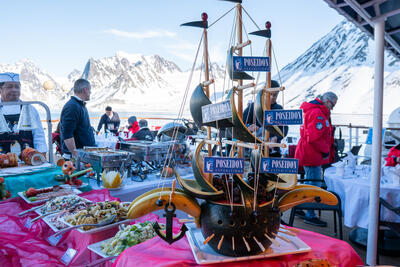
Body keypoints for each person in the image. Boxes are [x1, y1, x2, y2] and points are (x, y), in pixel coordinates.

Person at [294, 91, 338, 227]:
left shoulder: (314, 111)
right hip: (312, 155)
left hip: (310, 153)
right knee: (314, 185)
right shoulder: (317, 113)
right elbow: (314, 137)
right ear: (327, 101)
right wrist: (325, 151)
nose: (332, 108)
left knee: (309, 181)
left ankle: (301, 207)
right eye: (333, 105)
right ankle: (310, 214)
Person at [0, 72, 47, 153]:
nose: (14, 90)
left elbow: (38, 136)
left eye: (17, 87)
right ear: (0, 89)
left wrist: (41, 153)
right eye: (9, 87)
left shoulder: (30, 109)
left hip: (27, 160)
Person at [243, 80, 288, 157]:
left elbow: (284, 128)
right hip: (255, 151)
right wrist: (248, 127)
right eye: (270, 94)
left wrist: (276, 138)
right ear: (264, 92)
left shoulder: (279, 109)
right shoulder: (253, 107)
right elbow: (240, 125)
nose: (272, 97)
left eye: (275, 95)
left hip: (273, 152)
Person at [60, 79, 95, 159]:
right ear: (85, 90)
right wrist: (76, 154)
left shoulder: (79, 105)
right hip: (75, 158)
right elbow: (67, 134)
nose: (90, 93)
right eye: (90, 90)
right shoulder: (72, 106)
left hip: (82, 154)